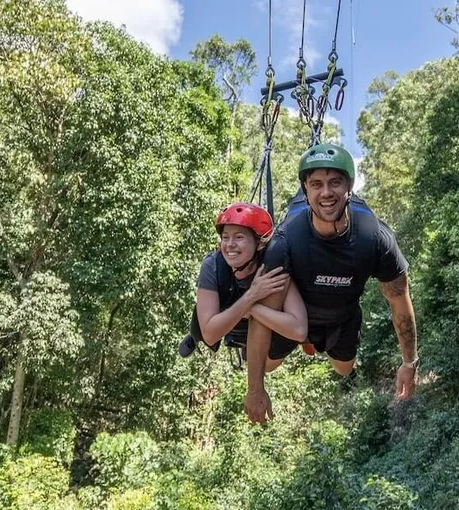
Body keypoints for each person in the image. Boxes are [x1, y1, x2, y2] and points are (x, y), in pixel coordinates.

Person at [243, 144, 419, 423]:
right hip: (294, 315)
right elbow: (263, 322)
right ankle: (304, 337)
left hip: (343, 316)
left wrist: (410, 363)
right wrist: (255, 390)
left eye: (335, 182)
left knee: (343, 369)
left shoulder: (374, 238)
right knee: (266, 366)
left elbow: (399, 299)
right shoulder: (287, 241)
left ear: (349, 187)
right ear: (305, 190)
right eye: (316, 184)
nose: (326, 192)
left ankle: (315, 342)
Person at [178, 202, 308, 359]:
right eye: (225, 238)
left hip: (265, 329)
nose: (230, 245)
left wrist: (251, 309)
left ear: (260, 243)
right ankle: (193, 337)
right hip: (226, 321)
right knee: (200, 321)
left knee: (270, 360)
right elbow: (210, 335)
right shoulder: (213, 265)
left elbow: (299, 331)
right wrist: (251, 296)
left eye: (239, 237)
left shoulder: (272, 265)